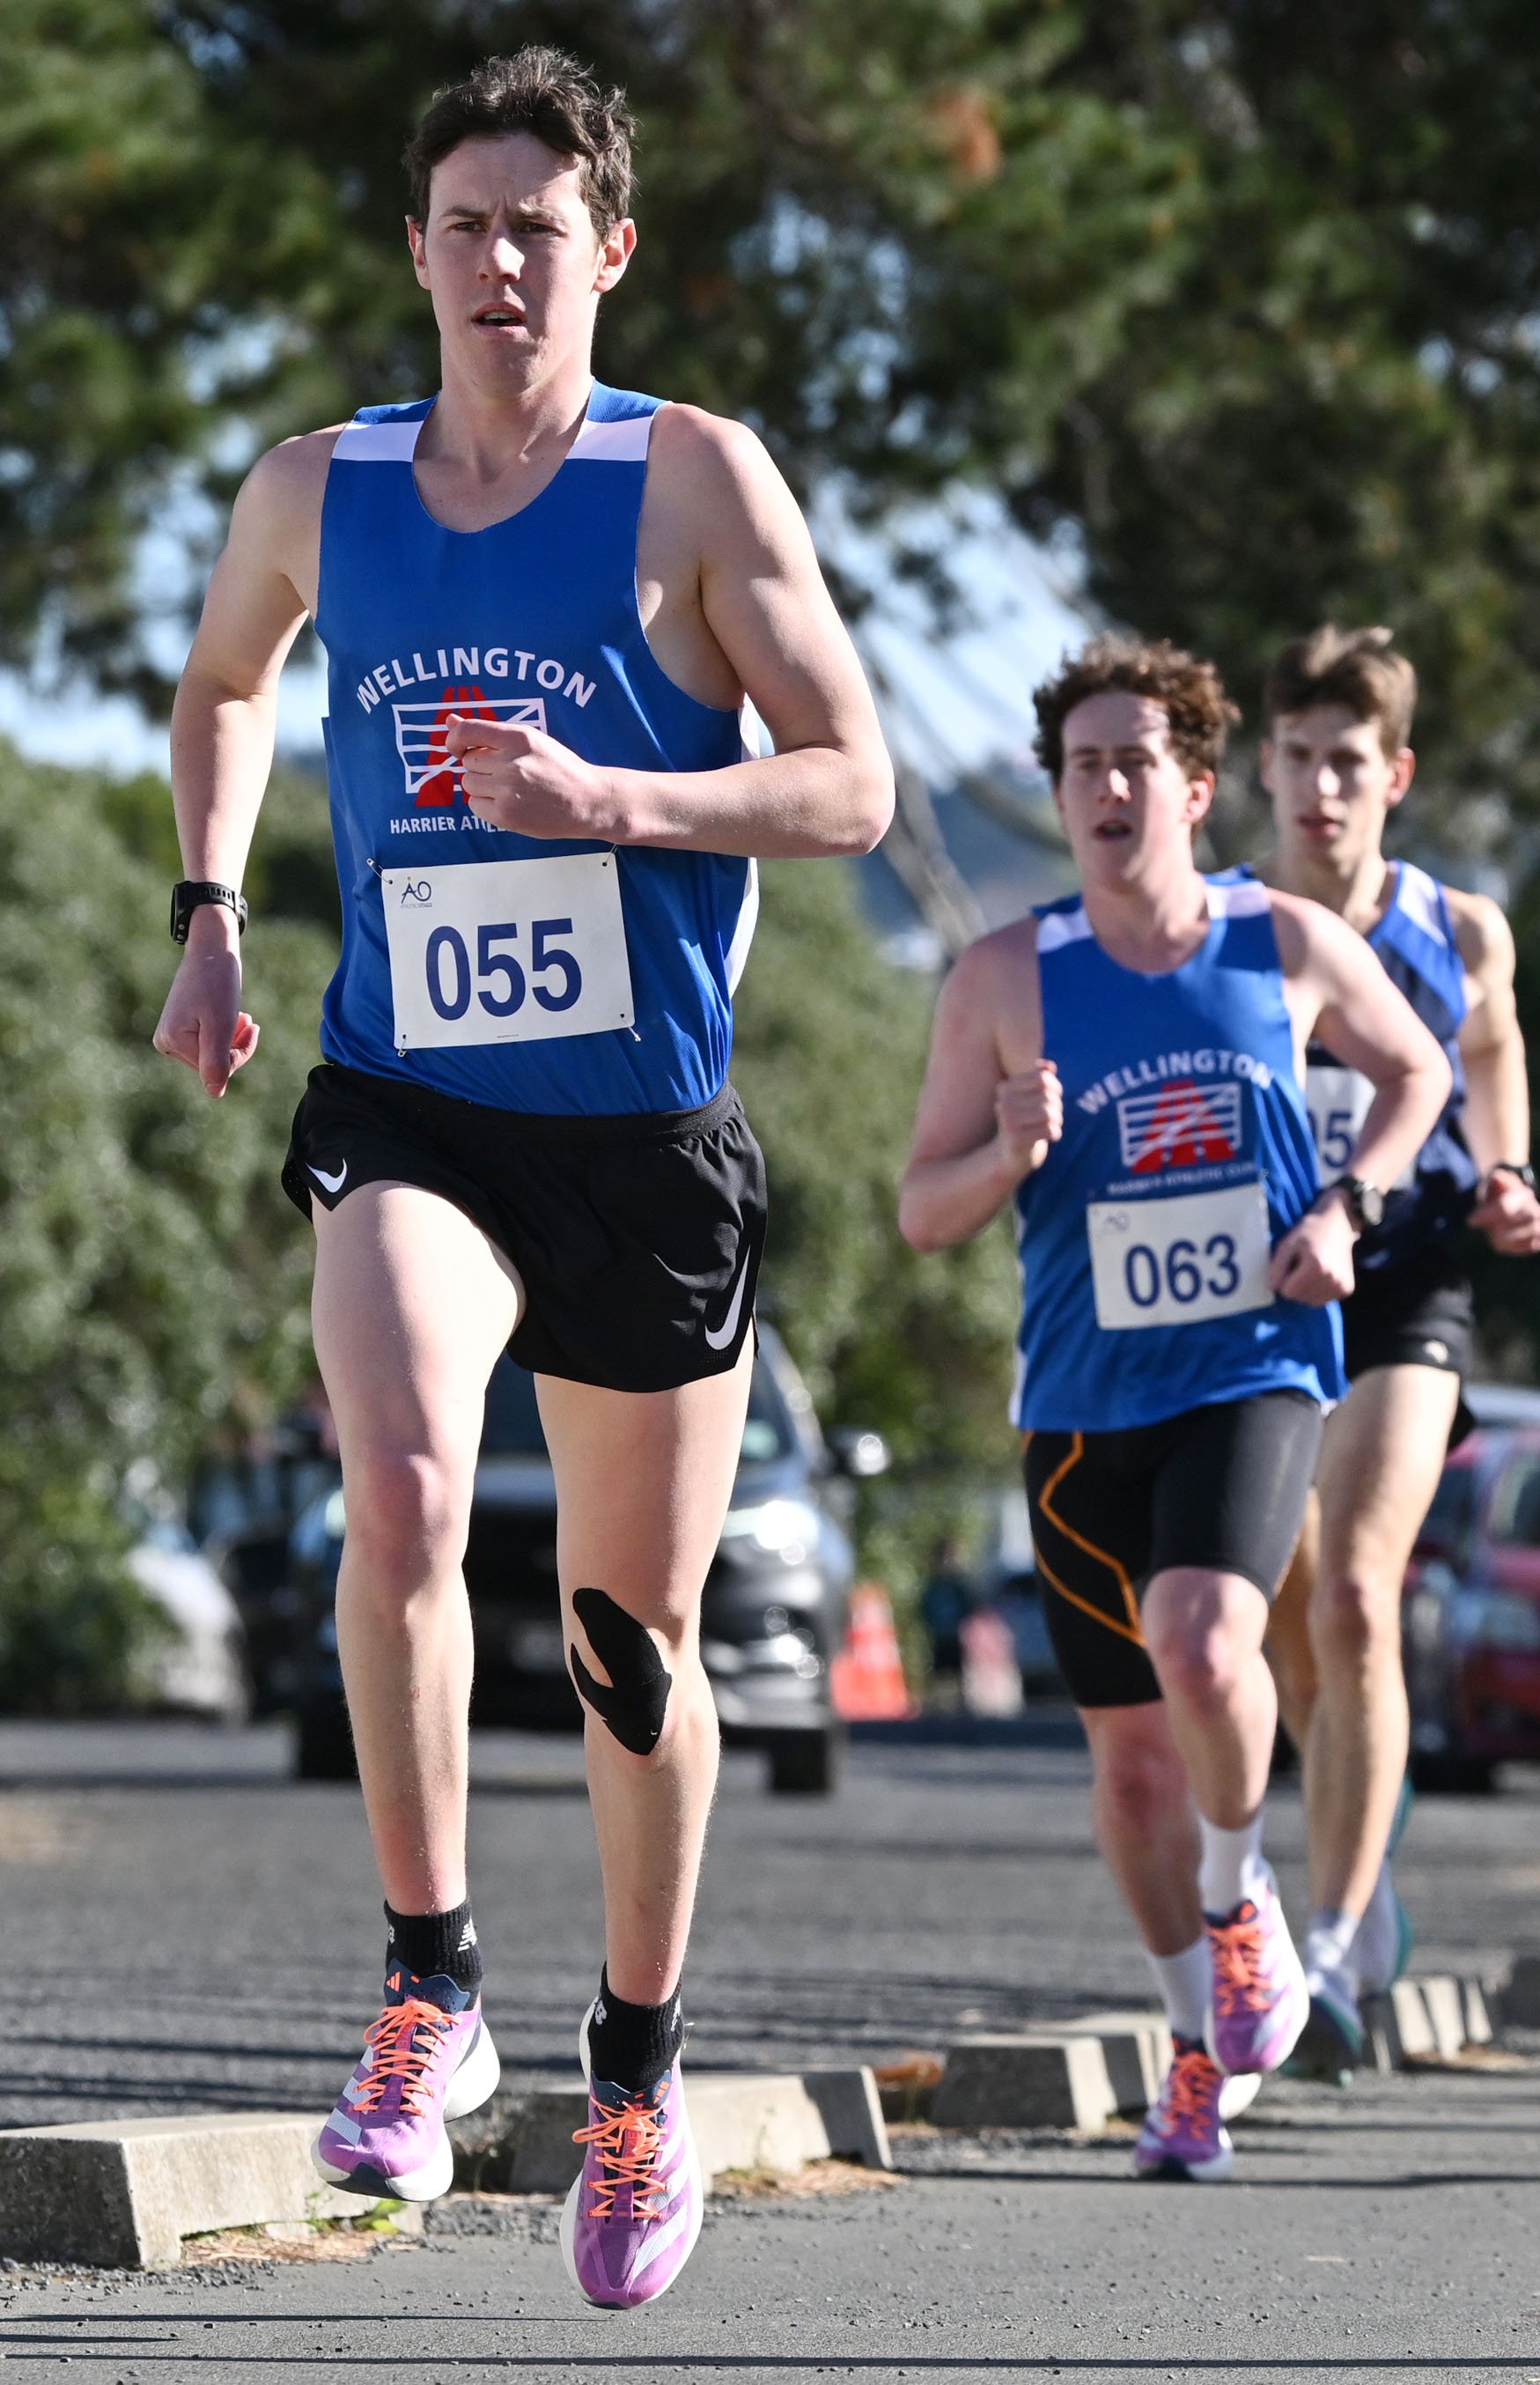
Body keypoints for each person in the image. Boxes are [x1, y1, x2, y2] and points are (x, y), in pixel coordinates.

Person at [151, 49, 894, 2309]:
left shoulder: (693, 479)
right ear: (414, 249)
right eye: (461, 224)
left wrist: (621, 803)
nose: (494, 264)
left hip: (645, 1141)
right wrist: (210, 910)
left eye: (535, 230)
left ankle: (641, 2063)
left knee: (626, 1636)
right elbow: (220, 683)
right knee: (393, 1475)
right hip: (413, 1095)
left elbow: (853, 782)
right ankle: (429, 1978)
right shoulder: (321, 484)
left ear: (609, 254)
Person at [900, 637, 1447, 2182]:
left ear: (1199, 789)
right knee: (1129, 1763)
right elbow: (922, 1210)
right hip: (1081, 1412)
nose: (1111, 786)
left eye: (1139, 760)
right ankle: (1193, 2039)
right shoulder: (1006, 977)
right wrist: (1004, 1154)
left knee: (1208, 1637)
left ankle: (1239, 1897)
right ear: (1058, 795)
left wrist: (1346, 1205)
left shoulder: (1274, 944)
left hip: (1252, 1367)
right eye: (1084, 765)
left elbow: (1413, 1076)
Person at [1244, 624, 1540, 2076]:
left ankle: (1327, 1941)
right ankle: (1354, 1829)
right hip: (1250, 1286)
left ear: (1395, 776)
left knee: (1359, 1594)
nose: (1320, 787)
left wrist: (1506, 1172)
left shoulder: (1457, 925)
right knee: (1279, 1618)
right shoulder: (1220, 919)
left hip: (1406, 1278)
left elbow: (1490, 1060)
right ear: (1259, 765)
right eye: (1297, 757)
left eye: (1346, 763)